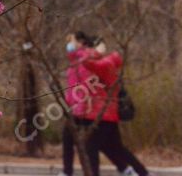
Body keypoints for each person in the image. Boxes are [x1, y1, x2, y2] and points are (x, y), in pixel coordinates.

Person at [60, 32, 149, 176]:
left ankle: (134, 171)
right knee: (109, 147)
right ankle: (132, 171)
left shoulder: (100, 63)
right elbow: (73, 90)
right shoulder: (75, 65)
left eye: (72, 41)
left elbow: (92, 81)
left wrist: (95, 52)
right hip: (83, 112)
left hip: (98, 113)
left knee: (96, 147)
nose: (69, 45)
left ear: (83, 42)